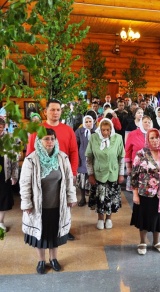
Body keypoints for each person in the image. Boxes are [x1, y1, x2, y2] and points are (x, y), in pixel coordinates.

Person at [20, 128, 77, 274]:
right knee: (41, 234)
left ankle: (53, 259)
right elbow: (25, 183)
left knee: (54, 233)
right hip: (38, 206)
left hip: (58, 204)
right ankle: (41, 260)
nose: (50, 142)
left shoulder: (62, 157)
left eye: (52, 139)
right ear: (39, 141)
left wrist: (71, 197)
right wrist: (26, 203)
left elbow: (69, 180)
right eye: (46, 139)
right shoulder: (31, 159)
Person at [26, 99, 78, 241]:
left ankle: (65, 228)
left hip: (62, 173)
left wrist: (73, 172)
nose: (55, 112)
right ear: (45, 111)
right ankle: (40, 229)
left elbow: (74, 152)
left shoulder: (68, 130)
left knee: (66, 202)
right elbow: (30, 153)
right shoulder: (38, 130)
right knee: (44, 205)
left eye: (58, 110)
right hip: (42, 176)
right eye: (52, 109)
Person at [130, 129, 160, 255]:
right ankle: (143, 242)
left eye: (156, 137)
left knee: (158, 217)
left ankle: (157, 242)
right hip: (145, 192)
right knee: (144, 217)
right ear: (147, 140)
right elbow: (134, 175)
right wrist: (135, 193)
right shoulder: (141, 153)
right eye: (152, 138)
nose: (154, 140)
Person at [86, 118, 125, 230]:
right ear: (100, 129)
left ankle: (109, 219)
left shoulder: (118, 138)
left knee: (111, 198)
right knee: (100, 198)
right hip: (99, 174)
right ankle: (100, 219)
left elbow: (121, 158)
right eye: (103, 130)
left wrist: (121, 174)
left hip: (113, 173)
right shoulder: (94, 138)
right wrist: (90, 174)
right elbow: (89, 157)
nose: (105, 133)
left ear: (111, 129)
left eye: (108, 130)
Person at [0, 118, 18, 232]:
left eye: (0, 127)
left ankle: (0, 221)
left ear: (4, 127)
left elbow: (14, 158)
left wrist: (14, 175)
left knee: (3, 198)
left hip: (4, 173)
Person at [125, 116, 152, 191]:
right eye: (145, 122)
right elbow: (128, 150)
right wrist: (128, 167)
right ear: (141, 123)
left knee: (148, 189)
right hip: (137, 166)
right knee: (137, 189)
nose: (147, 124)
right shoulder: (133, 134)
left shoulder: (153, 133)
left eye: (149, 122)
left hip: (150, 167)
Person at [75, 115, 96, 206]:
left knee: (93, 180)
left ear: (93, 122)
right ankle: (82, 198)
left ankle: (92, 198)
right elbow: (75, 145)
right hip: (82, 158)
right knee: (82, 180)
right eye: (86, 122)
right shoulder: (79, 131)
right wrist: (77, 158)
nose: (88, 123)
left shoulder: (97, 132)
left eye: (90, 121)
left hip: (94, 159)